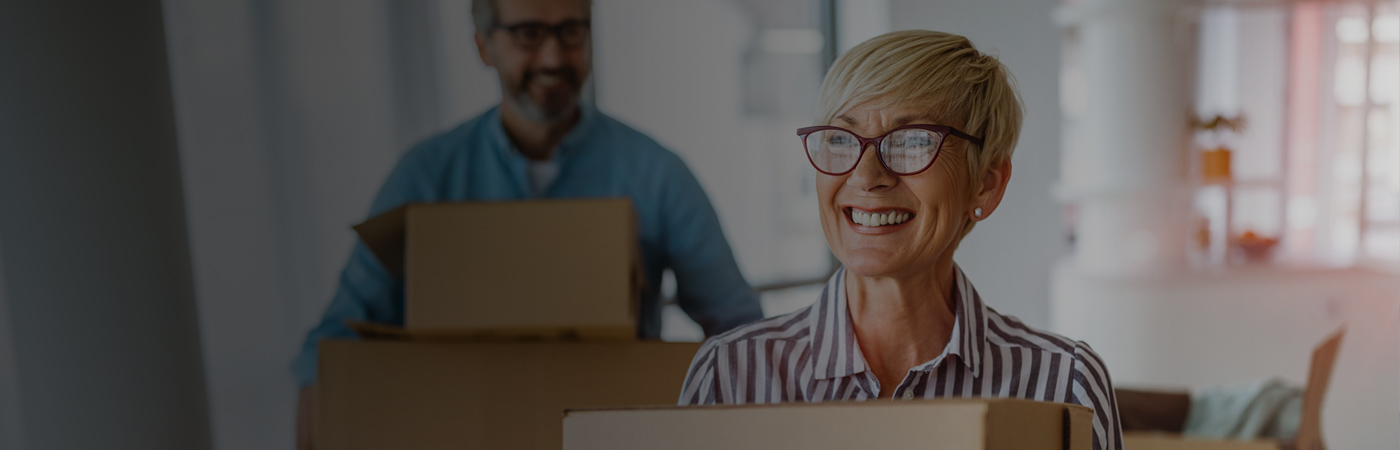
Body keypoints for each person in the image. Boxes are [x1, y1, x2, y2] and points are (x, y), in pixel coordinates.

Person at [294, 0, 763, 446]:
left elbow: (741, 332)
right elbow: (335, 342)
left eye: (571, 30)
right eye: (529, 33)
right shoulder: (427, 176)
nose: (554, 55)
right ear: (484, 44)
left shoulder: (656, 174)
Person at [677, 30, 1124, 450]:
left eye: (911, 142)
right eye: (841, 139)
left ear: (986, 183)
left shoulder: (1064, 382)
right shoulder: (731, 378)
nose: (867, 176)